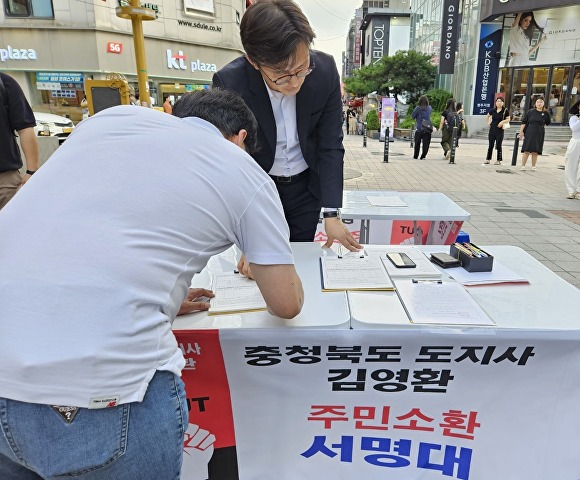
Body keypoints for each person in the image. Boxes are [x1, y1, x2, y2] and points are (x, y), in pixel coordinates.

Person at [0, 89, 304, 479]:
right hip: (105, 392)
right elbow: (285, 303)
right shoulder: (242, 170)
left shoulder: (110, 122)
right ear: (242, 138)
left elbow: (84, 228)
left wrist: (163, 296)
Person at [213, 0, 361, 261]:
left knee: (300, 260)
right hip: (259, 188)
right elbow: (231, 160)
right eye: (282, 75)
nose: (294, 82)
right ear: (254, 61)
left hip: (306, 188)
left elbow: (330, 145)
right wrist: (247, 235)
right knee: (260, 266)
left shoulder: (324, 71)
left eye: (302, 69)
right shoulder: (230, 83)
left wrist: (331, 213)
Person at [0, 72, 39, 210]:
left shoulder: (4, 83)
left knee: (10, 230)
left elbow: (25, 129)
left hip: (4, 182)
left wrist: (31, 172)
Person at [519, 96, 551, 171]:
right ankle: (523, 165)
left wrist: (541, 127)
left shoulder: (546, 113)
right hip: (529, 131)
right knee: (526, 149)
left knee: (535, 150)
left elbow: (548, 123)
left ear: (543, 103)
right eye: (537, 102)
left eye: (541, 102)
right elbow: (524, 122)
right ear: (535, 103)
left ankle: (533, 166)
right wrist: (521, 132)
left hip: (539, 133)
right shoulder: (530, 111)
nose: (539, 103)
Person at [484, 97, 510, 166]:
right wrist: (488, 123)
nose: (499, 102)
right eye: (498, 101)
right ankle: (488, 159)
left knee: (498, 145)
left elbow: (508, 119)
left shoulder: (505, 111)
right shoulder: (493, 110)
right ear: (495, 102)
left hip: (500, 130)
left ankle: (498, 160)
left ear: (503, 103)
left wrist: (502, 122)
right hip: (492, 129)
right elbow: (488, 116)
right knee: (490, 145)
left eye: (501, 101)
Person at [564, 100, 580, 199]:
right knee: (571, 166)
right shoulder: (574, 118)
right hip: (575, 142)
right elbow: (574, 129)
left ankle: (579, 190)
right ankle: (571, 190)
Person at [411, 95, 432, 160]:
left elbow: (412, 116)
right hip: (427, 128)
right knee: (426, 143)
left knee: (417, 143)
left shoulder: (418, 108)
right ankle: (423, 155)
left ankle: (416, 155)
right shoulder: (429, 108)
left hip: (419, 128)